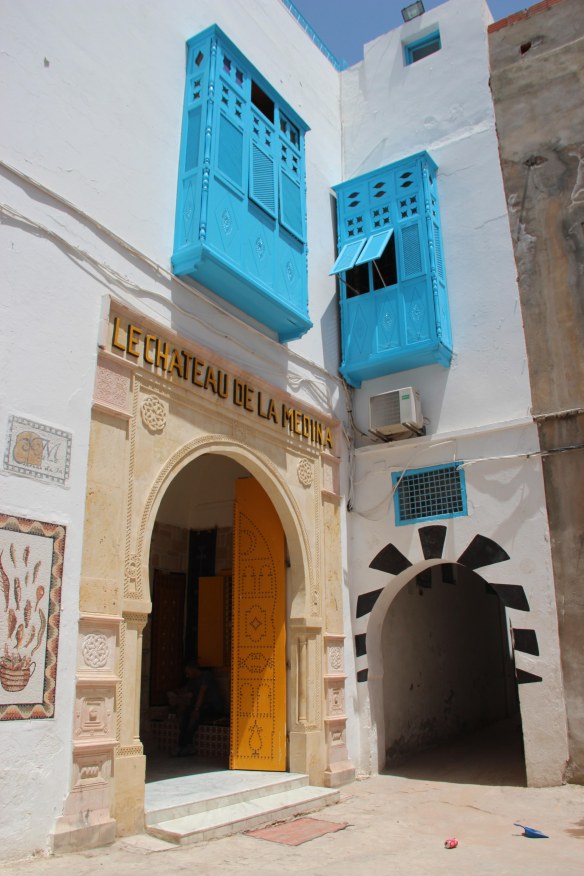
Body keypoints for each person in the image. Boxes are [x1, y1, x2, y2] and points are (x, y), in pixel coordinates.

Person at [173, 662, 225, 756]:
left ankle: (188, 746)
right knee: (184, 717)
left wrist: (196, 710)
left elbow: (202, 693)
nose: (187, 674)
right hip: (201, 706)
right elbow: (187, 691)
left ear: (193, 669)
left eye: (187, 671)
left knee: (194, 718)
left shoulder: (206, 676)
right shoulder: (192, 680)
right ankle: (181, 746)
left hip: (212, 706)